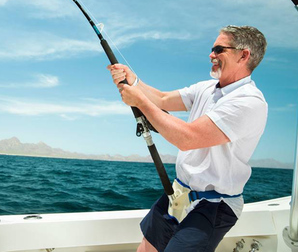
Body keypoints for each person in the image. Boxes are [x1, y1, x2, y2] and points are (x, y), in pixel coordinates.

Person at [107, 25, 268, 252]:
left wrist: (140, 101)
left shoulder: (248, 102)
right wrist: (134, 82)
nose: (211, 55)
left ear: (244, 55)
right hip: (178, 192)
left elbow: (188, 138)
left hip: (214, 204)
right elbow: (162, 99)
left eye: (219, 49)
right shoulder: (206, 88)